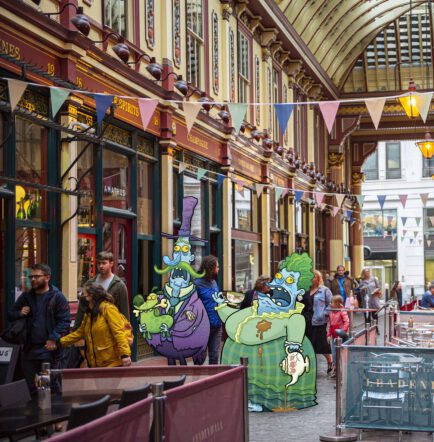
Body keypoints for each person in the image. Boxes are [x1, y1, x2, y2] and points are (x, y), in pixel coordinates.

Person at [7, 264, 70, 395]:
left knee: (47, 387)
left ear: (47, 277)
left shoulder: (57, 297)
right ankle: (38, 413)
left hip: (47, 350)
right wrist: (20, 313)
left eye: (37, 276)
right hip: (29, 350)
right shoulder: (27, 296)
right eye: (31, 277)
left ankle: (53, 413)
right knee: (32, 387)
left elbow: (64, 321)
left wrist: (53, 338)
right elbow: (10, 314)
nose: (33, 279)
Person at [57, 282, 132, 367]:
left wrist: (125, 355)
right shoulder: (89, 314)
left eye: (83, 295)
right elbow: (79, 333)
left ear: (91, 296)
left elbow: (119, 332)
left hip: (111, 363)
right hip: (96, 364)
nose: (81, 298)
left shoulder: (108, 309)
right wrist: (60, 342)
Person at [74, 251, 129, 330]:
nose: (101, 266)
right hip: (91, 330)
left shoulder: (119, 285)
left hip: (111, 331)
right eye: (99, 263)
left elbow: (124, 312)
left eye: (104, 263)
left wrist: (127, 334)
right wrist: (76, 328)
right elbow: (82, 308)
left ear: (111, 264)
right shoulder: (90, 283)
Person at [301, 270, 333, 373]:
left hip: (318, 320)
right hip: (306, 320)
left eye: (314, 277)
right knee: (307, 343)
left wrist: (324, 314)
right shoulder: (305, 290)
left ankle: (330, 361)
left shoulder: (324, 290)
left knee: (322, 343)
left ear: (318, 279)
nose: (312, 278)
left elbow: (330, 304)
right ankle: (309, 365)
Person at [194, 255, 222, 364]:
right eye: (217, 267)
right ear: (211, 268)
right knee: (200, 358)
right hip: (203, 328)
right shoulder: (197, 284)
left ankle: (213, 381)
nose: (218, 269)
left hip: (217, 326)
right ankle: (195, 380)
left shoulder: (214, 283)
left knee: (214, 357)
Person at [327, 295, 349, 378]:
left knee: (341, 353)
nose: (330, 304)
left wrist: (342, 332)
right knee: (334, 353)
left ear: (337, 303)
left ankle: (342, 370)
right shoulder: (331, 312)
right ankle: (336, 369)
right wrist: (328, 334)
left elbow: (347, 322)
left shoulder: (342, 311)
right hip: (334, 336)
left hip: (341, 336)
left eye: (332, 302)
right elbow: (330, 324)